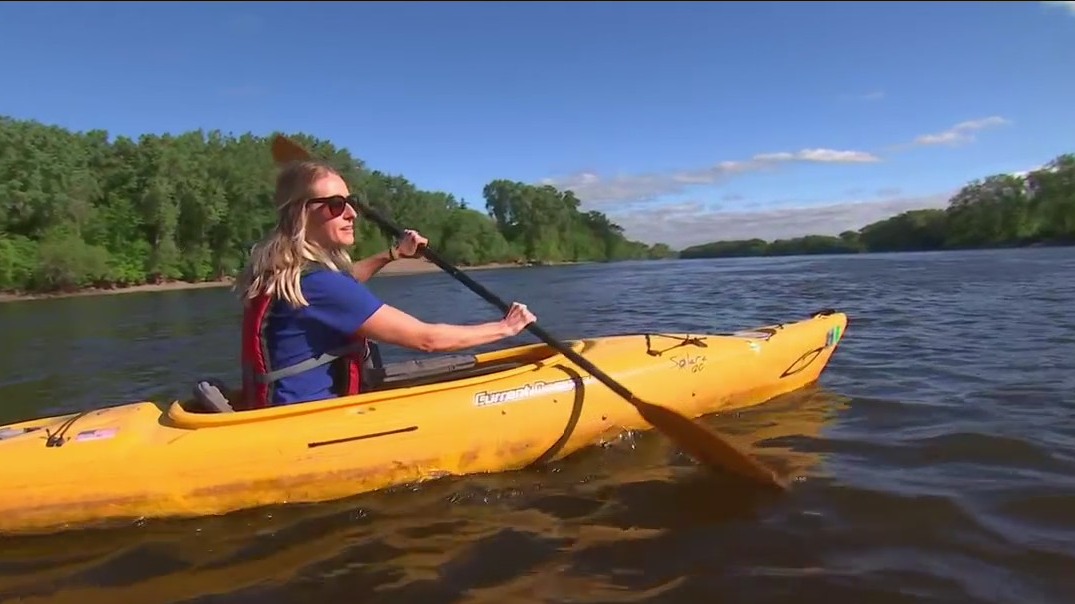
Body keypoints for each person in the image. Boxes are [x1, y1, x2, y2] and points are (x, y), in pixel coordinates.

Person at [231, 159, 537, 410]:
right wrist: (505, 328)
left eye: (350, 203)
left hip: (283, 409)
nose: (351, 213)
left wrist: (394, 254)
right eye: (336, 205)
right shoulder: (321, 286)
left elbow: (346, 282)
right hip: (313, 419)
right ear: (302, 212)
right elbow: (427, 339)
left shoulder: (283, 272)